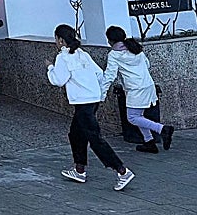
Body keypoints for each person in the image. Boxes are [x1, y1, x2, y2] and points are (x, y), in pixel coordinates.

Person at [47, 23, 135, 190]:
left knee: (95, 139)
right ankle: (79, 169)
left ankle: (122, 171)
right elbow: (99, 73)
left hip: (82, 102)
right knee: (75, 134)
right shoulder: (82, 54)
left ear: (59, 40)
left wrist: (50, 68)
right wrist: (96, 91)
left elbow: (58, 80)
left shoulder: (63, 57)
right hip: (91, 99)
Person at [101, 25, 173, 153]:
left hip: (135, 89)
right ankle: (149, 142)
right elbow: (147, 64)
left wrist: (102, 93)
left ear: (110, 41)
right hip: (148, 85)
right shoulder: (134, 47)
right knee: (138, 116)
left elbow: (110, 76)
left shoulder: (114, 54)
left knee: (133, 117)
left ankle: (162, 129)